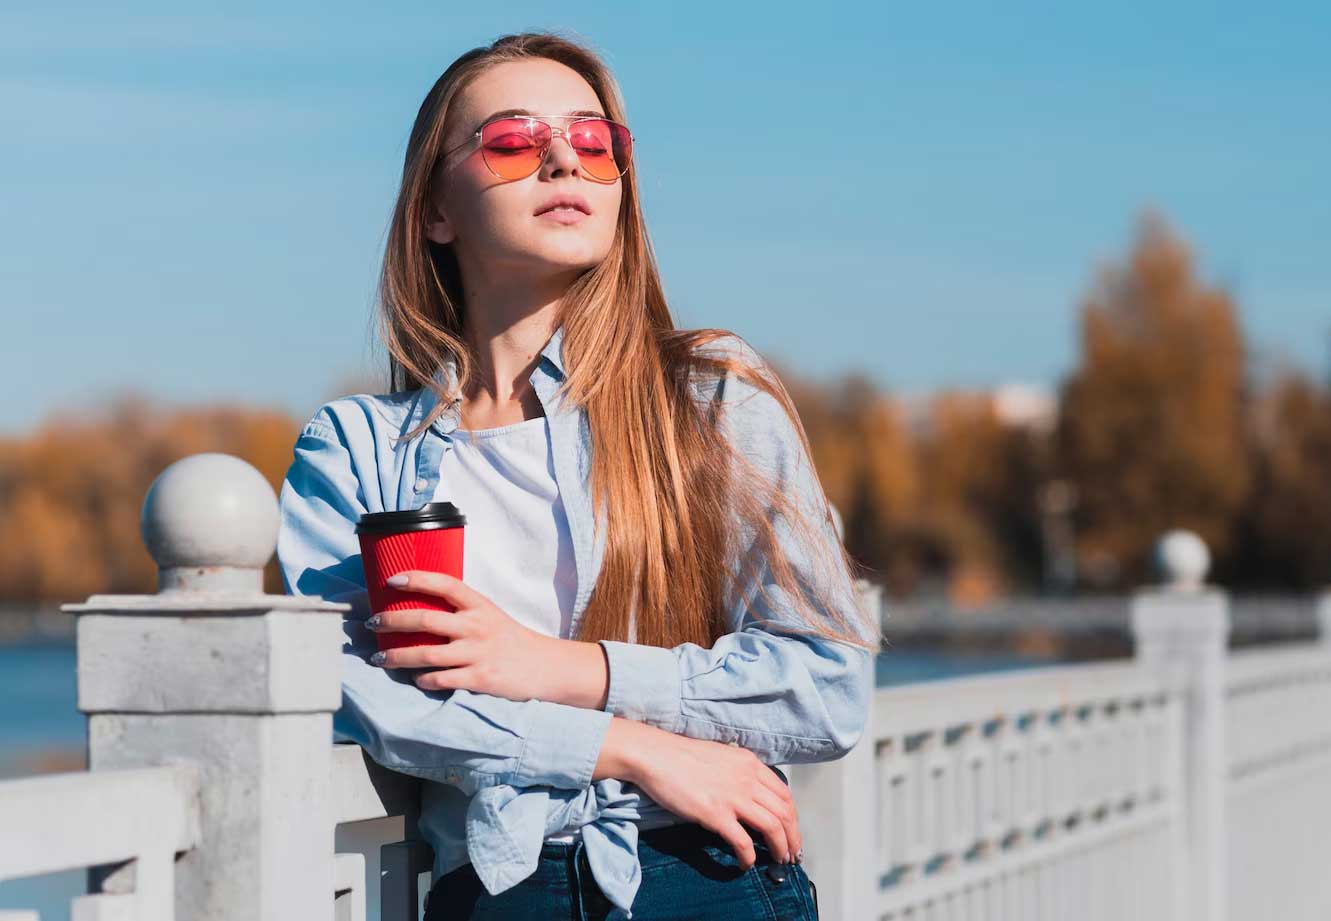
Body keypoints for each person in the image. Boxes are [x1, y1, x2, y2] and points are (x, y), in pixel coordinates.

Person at [277, 29, 880, 921]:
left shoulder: (710, 397)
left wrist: (561, 668)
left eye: (596, 143)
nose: (564, 157)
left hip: (705, 877)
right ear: (435, 211)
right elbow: (364, 695)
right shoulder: (356, 448)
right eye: (513, 140)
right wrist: (625, 746)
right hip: (495, 894)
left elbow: (824, 684)